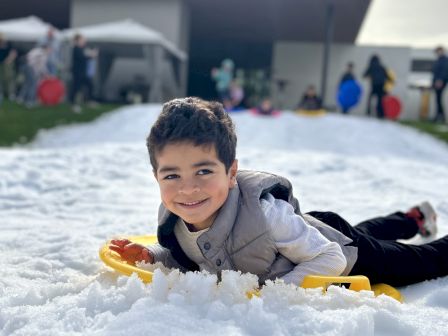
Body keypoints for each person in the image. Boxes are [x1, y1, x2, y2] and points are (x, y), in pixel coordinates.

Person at [110, 97, 448, 288]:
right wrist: (152, 256)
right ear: (156, 177)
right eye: (172, 175)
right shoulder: (177, 217)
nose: (188, 188)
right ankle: (412, 218)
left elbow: (332, 256)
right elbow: (194, 256)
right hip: (309, 234)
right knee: (362, 231)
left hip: (345, 252)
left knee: (421, 261)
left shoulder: (267, 216)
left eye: (203, 170)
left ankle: (422, 231)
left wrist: (278, 293)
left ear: (231, 173)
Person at [69, 34, 98, 113]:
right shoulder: (76, 48)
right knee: (76, 89)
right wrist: (91, 55)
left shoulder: (81, 49)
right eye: (82, 40)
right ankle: (74, 105)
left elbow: (86, 57)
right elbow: (82, 57)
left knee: (90, 85)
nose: (84, 41)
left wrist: (92, 55)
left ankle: (88, 101)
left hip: (83, 73)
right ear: (78, 40)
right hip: (78, 73)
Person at [363, 54, 391, 118]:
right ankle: (380, 114)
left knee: (370, 99)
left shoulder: (371, 66)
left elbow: (364, 75)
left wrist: (369, 76)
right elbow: (388, 77)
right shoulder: (382, 67)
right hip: (381, 86)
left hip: (374, 86)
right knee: (380, 100)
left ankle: (368, 112)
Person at [431, 46, 448, 123]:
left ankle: (440, 117)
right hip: (436, 82)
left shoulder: (444, 60)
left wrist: (440, 80)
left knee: (439, 100)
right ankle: (439, 116)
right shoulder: (439, 60)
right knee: (437, 100)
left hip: (440, 82)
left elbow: (444, 71)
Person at [0, 33, 18, 105]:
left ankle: (11, 94)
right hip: (1, 63)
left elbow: (14, 53)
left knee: (9, 78)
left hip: (7, 63)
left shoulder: (8, 43)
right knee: (1, 79)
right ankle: (2, 93)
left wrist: (9, 60)